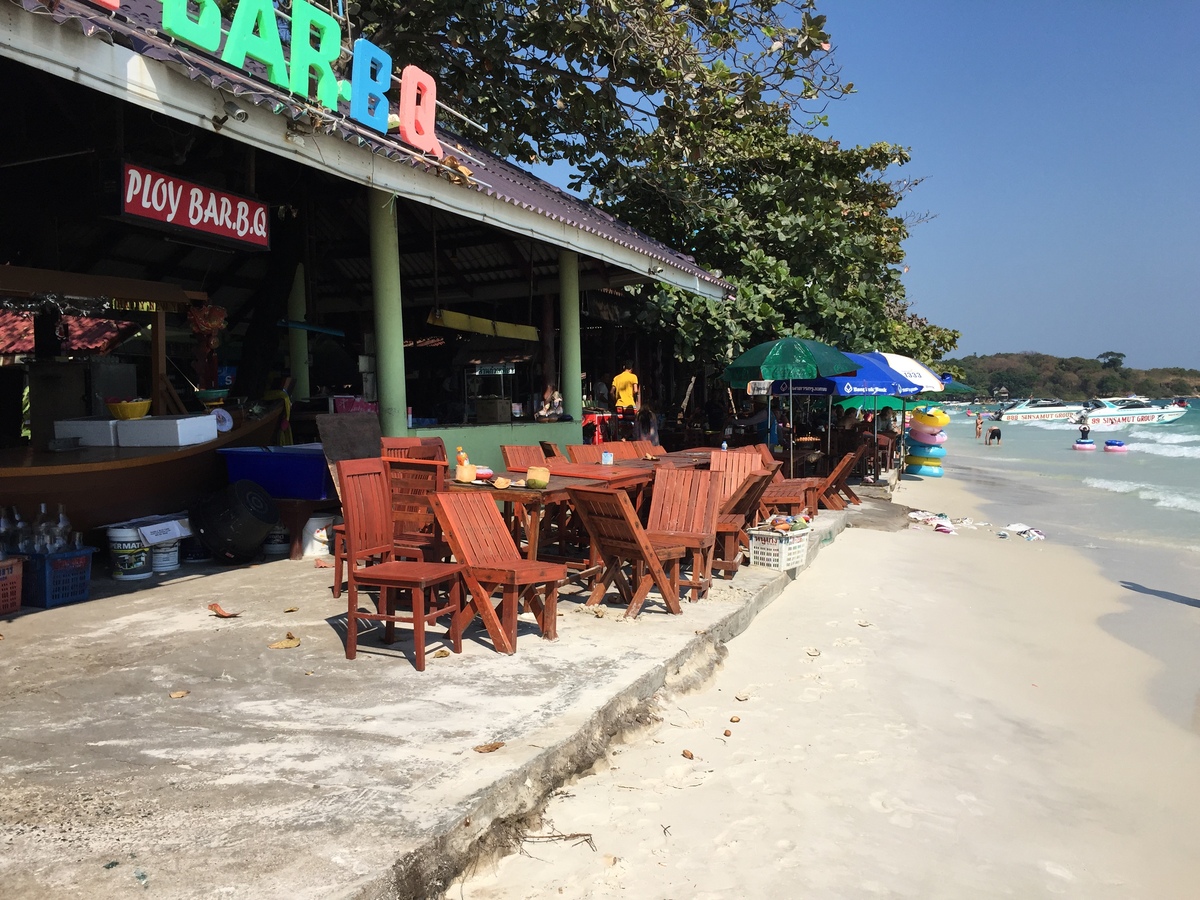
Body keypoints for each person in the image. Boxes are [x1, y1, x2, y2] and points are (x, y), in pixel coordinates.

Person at [611, 361, 639, 439]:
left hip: (619, 405)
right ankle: (625, 439)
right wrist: (631, 395)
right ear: (631, 369)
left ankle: (622, 438)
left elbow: (611, 392)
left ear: (623, 368)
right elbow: (636, 390)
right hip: (629, 404)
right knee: (632, 424)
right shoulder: (633, 377)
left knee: (621, 424)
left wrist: (615, 400)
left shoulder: (616, 378)